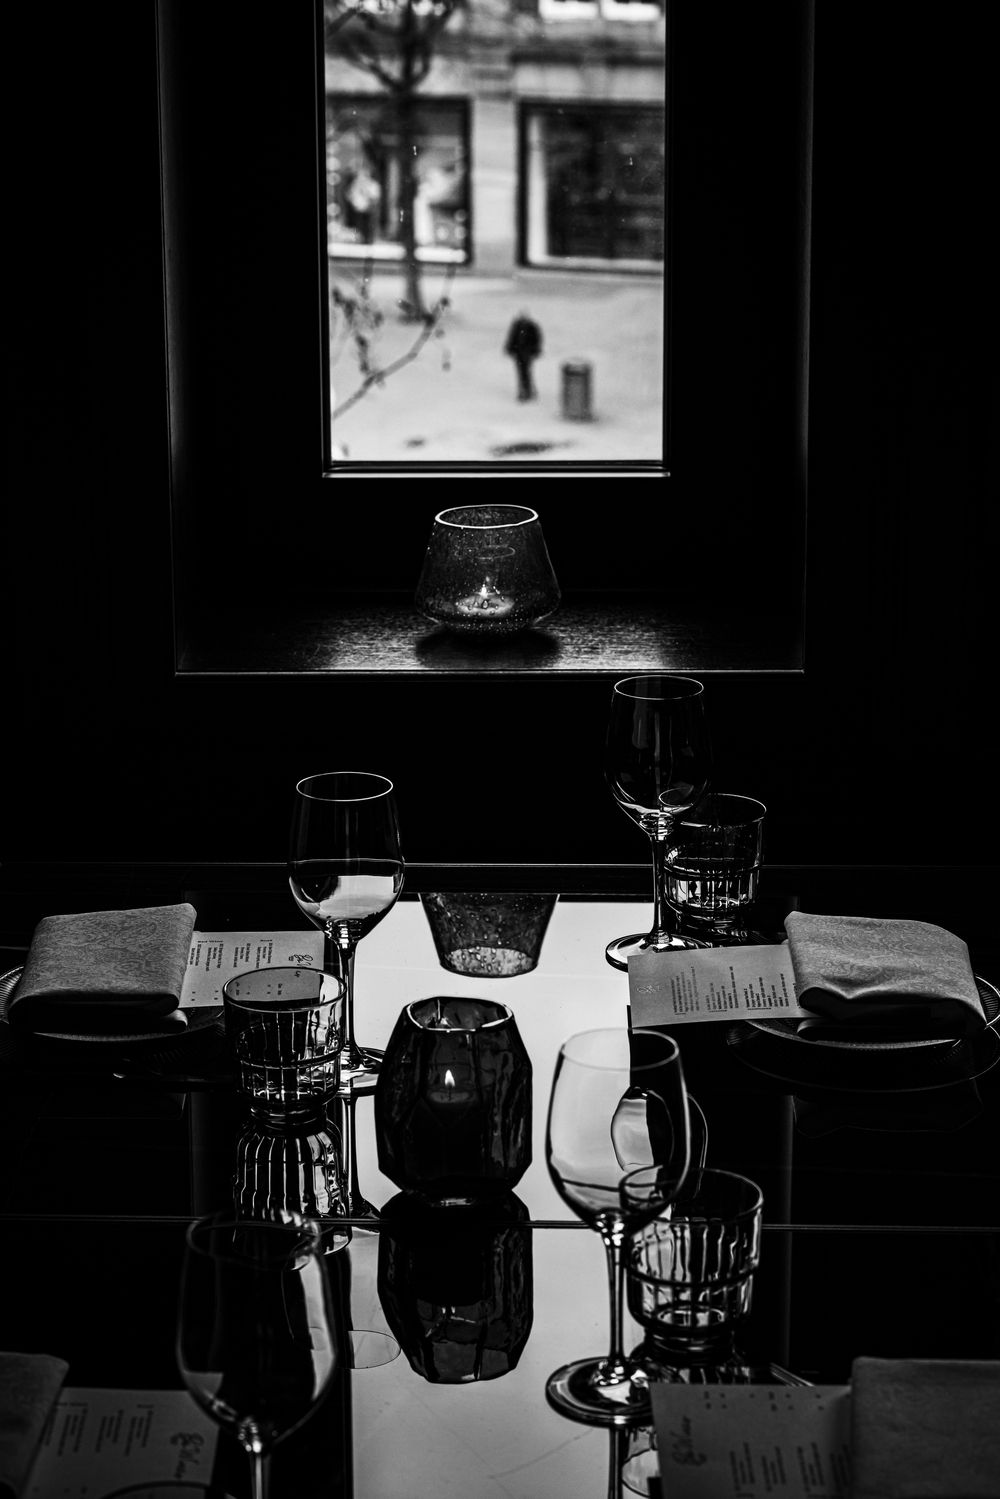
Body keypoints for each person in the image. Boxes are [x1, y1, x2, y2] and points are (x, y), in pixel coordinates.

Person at [504, 310, 543, 401]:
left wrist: (535, 350)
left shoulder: (531, 327)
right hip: (519, 353)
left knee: (526, 373)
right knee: (522, 373)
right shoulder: (517, 326)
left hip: (527, 353)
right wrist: (509, 348)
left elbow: (537, 340)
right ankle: (524, 391)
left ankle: (528, 391)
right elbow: (512, 338)